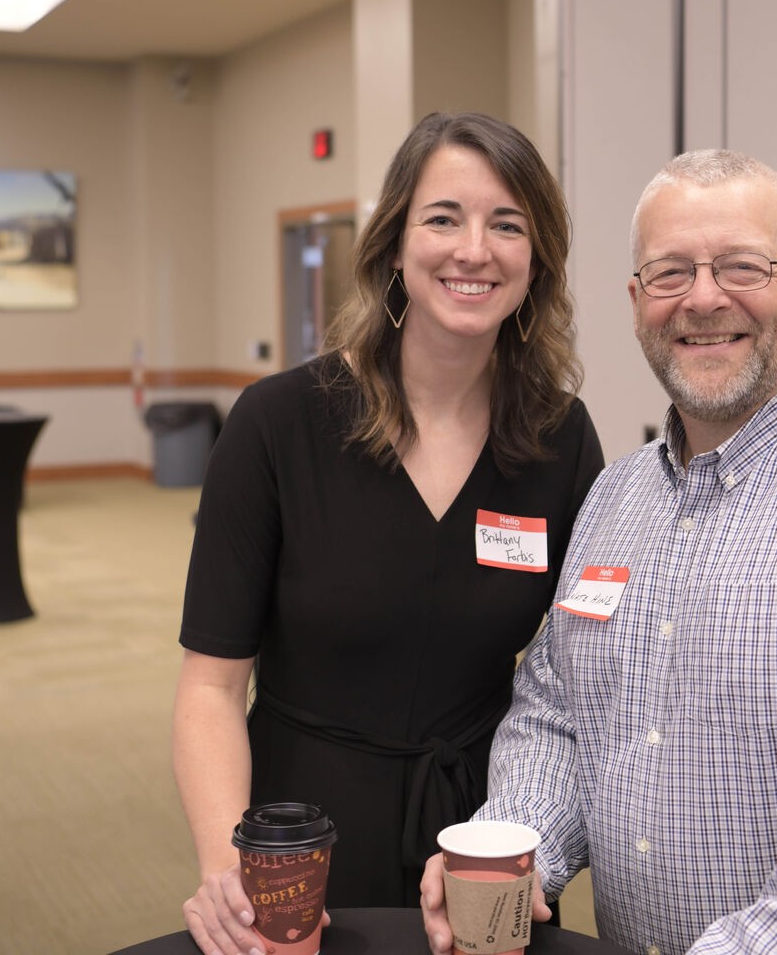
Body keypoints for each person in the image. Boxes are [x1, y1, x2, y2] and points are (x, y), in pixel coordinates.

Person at [421, 149, 777, 954]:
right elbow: (558, 715)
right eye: (669, 273)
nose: (702, 298)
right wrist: (520, 849)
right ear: (637, 304)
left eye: (742, 266)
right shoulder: (614, 499)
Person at [173, 111, 605, 955]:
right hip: (301, 836)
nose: (473, 250)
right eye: (443, 217)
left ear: (536, 260)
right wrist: (231, 864)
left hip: (479, 836)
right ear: (394, 246)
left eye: (507, 225)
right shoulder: (278, 424)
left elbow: (586, 673)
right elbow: (210, 689)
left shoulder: (560, 438)